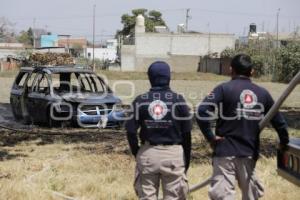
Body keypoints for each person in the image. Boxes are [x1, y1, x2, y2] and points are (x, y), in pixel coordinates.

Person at [196, 54, 289, 200]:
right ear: (252, 71)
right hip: (248, 152)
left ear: (230, 69)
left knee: (222, 196)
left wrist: (211, 138)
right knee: (251, 196)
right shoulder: (262, 93)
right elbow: (279, 122)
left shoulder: (223, 89)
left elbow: (201, 111)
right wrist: (284, 142)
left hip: (224, 153)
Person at [126, 61, 192, 200]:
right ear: (169, 77)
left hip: (148, 154)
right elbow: (187, 134)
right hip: (174, 155)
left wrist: (137, 152)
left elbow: (131, 130)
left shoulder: (140, 100)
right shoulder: (179, 100)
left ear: (150, 78)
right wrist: (186, 158)